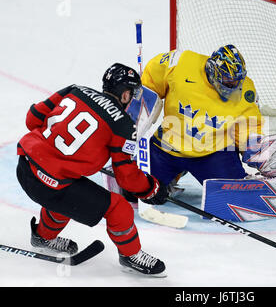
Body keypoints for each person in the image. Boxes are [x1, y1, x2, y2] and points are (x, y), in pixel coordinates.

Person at [16, 63, 168, 277]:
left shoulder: (74, 90)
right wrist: (151, 188)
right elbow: (126, 177)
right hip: (52, 185)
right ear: (125, 94)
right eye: (132, 94)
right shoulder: (124, 125)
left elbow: (32, 120)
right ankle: (131, 255)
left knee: (69, 194)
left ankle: (43, 236)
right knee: (119, 209)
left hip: (26, 167)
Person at [140, 44, 265, 186]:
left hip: (215, 153)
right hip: (168, 146)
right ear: (213, 71)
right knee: (136, 190)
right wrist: (140, 98)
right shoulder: (181, 62)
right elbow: (152, 77)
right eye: (228, 82)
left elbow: (248, 126)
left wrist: (255, 151)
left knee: (234, 196)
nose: (234, 86)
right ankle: (175, 172)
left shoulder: (247, 90)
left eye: (237, 81)